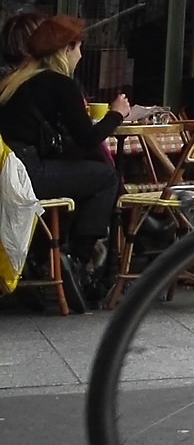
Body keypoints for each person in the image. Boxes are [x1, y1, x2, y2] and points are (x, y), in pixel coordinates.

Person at [0, 15, 126, 298]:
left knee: (83, 176)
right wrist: (117, 114)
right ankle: (76, 258)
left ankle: (47, 254)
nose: (81, 55)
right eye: (79, 48)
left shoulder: (15, 81)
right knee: (106, 177)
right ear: (66, 49)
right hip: (28, 172)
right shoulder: (60, 84)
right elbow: (87, 137)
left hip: (9, 171)